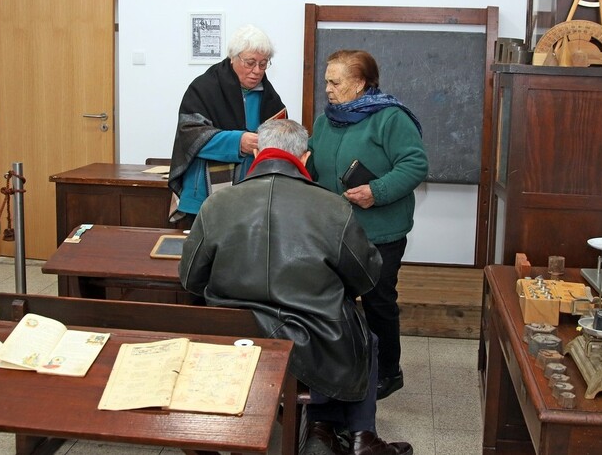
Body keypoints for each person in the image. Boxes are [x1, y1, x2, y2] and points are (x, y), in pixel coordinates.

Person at [180, 119, 413, 455]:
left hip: (235, 336)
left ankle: (323, 426)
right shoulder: (332, 207)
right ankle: (358, 435)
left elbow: (191, 278)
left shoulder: (217, 204)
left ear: (257, 153)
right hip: (313, 338)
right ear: (304, 157)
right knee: (362, 333)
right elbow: (365, 277)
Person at [308, 50, 428, 401]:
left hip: (380, 234)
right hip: (335, 230)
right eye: (326, 81)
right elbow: (314, 164)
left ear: (360, 83)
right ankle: (343, 367)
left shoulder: (390, 118)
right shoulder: (325, 121)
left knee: (378, 303)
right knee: (335, 301)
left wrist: (376, 191)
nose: (328, 89)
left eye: (335, 82)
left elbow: (415, 165)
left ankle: (388, 372)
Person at [168, 24, 286, 228]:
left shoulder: (269, 96)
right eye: (250, 63)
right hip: (204, 194)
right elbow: (191, 135)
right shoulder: (204, 88)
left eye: (263, 63)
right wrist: (238, 142)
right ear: (233, 57)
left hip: (252, 194)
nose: (257, 71)